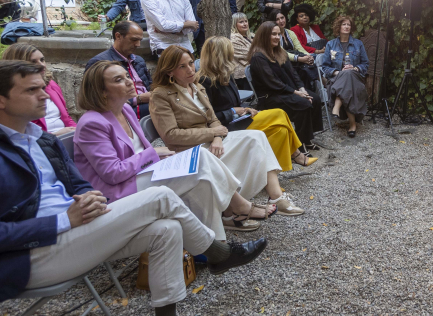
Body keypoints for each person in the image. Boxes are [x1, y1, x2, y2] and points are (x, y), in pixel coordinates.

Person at [0, 59, 267, 316]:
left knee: (167, 230)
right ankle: (219, 253)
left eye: (42, 88)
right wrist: (64, 218)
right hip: (26, 255)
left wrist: (89, 198)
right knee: (160, 198)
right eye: (31, 90)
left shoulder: (39, 138)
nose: (45, 96)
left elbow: (78, 184)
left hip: (75, 231)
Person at [73, 61, 270, 234]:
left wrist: (157, 157)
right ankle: (238, 207)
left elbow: (141, 150)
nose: (128, 81)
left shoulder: (124, 109)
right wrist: (153, 154)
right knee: (199, 160)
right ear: (101, 91)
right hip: (120, 189)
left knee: (200, 171)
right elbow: (112, 173)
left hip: (144, 172)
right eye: (118, 79)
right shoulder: (92, 123)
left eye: (126, 76)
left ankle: (216, 241)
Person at [149, 45, 303, 215]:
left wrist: (217, 137)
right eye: (182, 66)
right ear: (169, 71)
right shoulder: (161, 95)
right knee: (256, 136)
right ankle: (237, 207)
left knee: (257, 137)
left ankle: (276, 197)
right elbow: (171, 136)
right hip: (190, 151)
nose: (190, 69)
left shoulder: (196, 87)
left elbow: (213, 119)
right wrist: (214, 134)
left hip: (211, 142)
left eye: (191, 63)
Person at [199, 36, 317, 171]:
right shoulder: (204, 81)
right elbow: (207, 118)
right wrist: (233, 111)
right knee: (279, 113)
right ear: (221, 56)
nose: (232, 56)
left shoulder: (226, 74)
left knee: (281, 130)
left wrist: (245, 109)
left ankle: (275, 174)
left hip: (240, 119)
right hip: (228, 126)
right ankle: (297, 155)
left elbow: (236, 103)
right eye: (229, 52)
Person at [248, 22, 323, 152]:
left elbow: (293, 74)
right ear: (265, 35)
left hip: (286, 91)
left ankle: (306, 138)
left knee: (315, 99)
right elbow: (272, 82)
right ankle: (298, 145)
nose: (277, 37)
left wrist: (302, 89)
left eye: (278, 34)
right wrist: (296, 93)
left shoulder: (278, 51)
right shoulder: (258, 57)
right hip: (271, 96)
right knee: (303, 104)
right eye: (273, 34)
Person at [0, 43, 76, 135]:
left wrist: (77, 130)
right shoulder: (14, 93)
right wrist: (56, 135)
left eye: (42, 60)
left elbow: (67, 117)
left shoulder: (51, 84)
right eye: (33, 62)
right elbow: (22, 132)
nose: (42, 65)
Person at [85, 20, 153, 118]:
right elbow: (94, 99)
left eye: (140, 40)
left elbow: (150, 86)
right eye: (134, 40)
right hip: (122, 113)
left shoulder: (139, 60)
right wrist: (139, 99)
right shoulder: (100, 62)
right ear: (118, 36)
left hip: (151, 109)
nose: (138, 44)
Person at [319, 15, 369, 138]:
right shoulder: (331, 45)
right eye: (344, 24)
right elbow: (325, 67)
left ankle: (337, 106)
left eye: (349, 25)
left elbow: (365, 64)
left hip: (355, 78)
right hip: (336, 79)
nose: (347, 27)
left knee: (349, 74)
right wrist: (338, 72)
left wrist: (355, 68)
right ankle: (352, 125)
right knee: (346, 78)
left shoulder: (358, 44)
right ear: (339, 26)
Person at [268, 9, 319, 87]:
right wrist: (299, 58)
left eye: (282, 18)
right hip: (283, 63)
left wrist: (308, 56)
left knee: (309, 63)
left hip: (296, 63)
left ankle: (314, 85)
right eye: (277, 19)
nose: (281, 21)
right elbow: (281, 52)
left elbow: (299, 48)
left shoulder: (290, 33)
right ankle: (318, 82)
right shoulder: (273, 36)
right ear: (273, 22)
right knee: (305, 67)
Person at [230, 12, 254, 91]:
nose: (245, 24)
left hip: (251, 72)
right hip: (242, 77)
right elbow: (248, 55)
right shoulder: (234, 38)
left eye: (245, 21)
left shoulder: (249, 36)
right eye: (241, 22)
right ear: (234, 24)